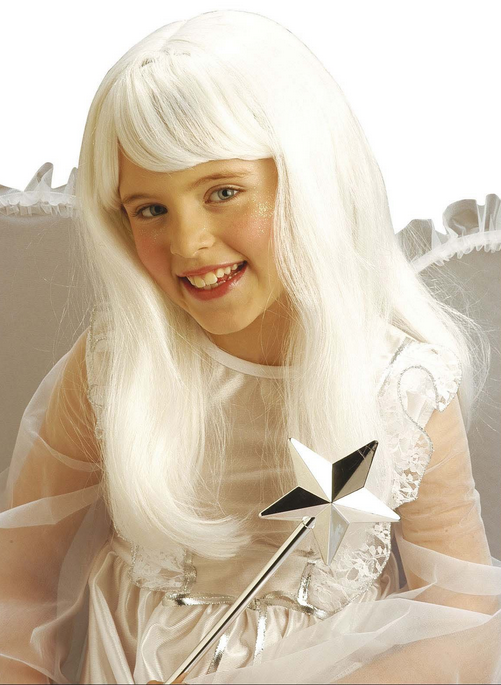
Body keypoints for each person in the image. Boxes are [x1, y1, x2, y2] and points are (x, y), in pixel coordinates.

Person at [1, 9, 500, 685]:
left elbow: (462, 615)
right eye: (151, 209)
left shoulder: (401, 390)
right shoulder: (117, 368)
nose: (188, 243)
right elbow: (19, 578)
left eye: (224, 192)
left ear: (308, 182)